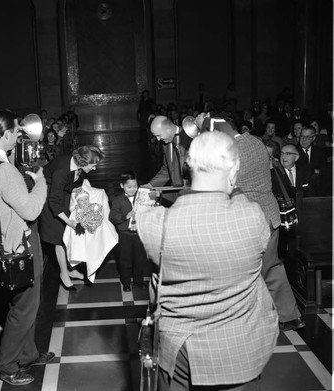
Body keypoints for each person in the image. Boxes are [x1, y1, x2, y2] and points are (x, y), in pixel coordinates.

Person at [137, 131, 278, 390]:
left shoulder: (157, 224)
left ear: (187, 167)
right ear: (234, 171)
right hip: (240, 350)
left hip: (181, 351)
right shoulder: (253, 217)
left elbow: (144, 215)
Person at [0, 110, 54, 386]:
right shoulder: (5, 170)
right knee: (25, 307)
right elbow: (31, 210)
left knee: (24, 302)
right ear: (6, 134)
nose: (19, 136)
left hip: (2, 238)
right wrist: (41, 180)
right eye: (16, 132)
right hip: (19, 240)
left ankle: (28, 353)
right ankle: (4, 364)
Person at [229, 119, 305, 331]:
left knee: (245, 270)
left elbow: (229, 184)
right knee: (272, 266)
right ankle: (291, 317)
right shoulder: (255, 142)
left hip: (252, 218)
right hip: (270, 214)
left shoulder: (232, 151)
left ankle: (247, 322)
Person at [39, 145, 105, 290]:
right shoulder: (62, 171)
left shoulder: (78, 166)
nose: (94, 169)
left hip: (60, 193)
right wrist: (70, 222)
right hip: (48, 196)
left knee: (68, 236)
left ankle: (71, 269)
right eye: (93, 165)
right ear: (84, 161)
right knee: (59, 238)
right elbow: (53, 202)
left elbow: (75, 186)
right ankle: (64, 273)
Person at [109, 171, 148, 292]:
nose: (132, 189)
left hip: (139, 234)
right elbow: (113, 217)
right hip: (125, 234)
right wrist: (126, 216)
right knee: (125, 260)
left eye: (135, 187)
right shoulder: (117, 200)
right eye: (129, 187)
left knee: (139, 259)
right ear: (122, 186)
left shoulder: (142, 198)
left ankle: (138, 281)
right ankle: (126, 282)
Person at [145, 115, 188, 205]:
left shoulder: (188, 138)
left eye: (158, 135)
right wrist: (151, 185)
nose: (158, 139)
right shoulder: (166, 143)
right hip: (177, 194)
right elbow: (167, 169)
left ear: (168, 129)